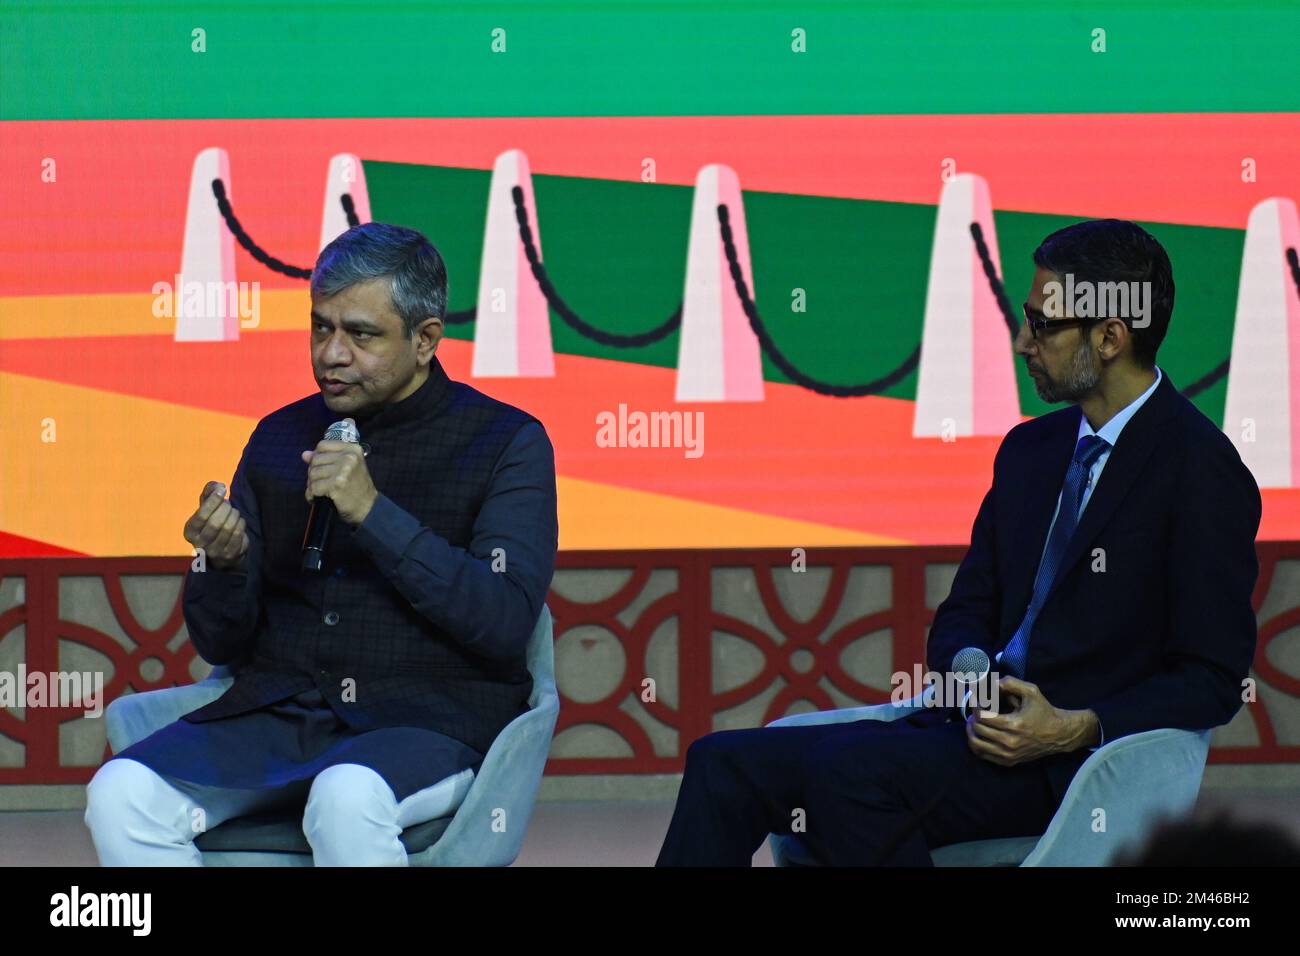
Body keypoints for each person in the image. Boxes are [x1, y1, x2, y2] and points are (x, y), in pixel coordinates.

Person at [656, 219, 1262, 866]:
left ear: (1110, 336)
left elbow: (1211, 679)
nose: (1023, 342)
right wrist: (973, 675)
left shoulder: (1201, 470)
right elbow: (966, 611)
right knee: (719, 762)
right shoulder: (1030, 451)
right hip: (963, 732)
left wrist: (1072, 725)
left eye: (1044, 325)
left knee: (850, 778)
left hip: (1072, 767)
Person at [85, 222, 558, 865]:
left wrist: (372, 512)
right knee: (119, 792)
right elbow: (220, 644)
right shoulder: (280, 436)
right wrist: (222, 565)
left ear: (425, 340)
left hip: (427, 723)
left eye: (360, 334)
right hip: (280, 718)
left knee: (345, 797)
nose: (331, 354)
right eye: (320, 327)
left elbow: (504, 620)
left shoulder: (506, 443)